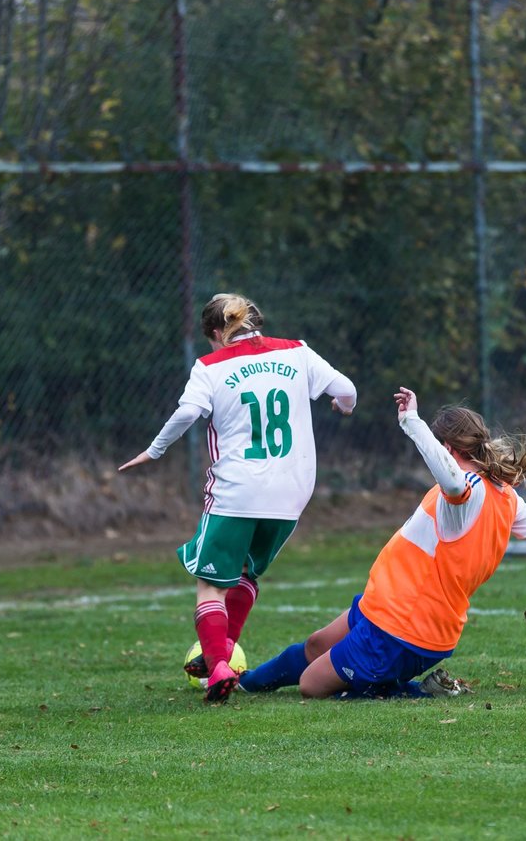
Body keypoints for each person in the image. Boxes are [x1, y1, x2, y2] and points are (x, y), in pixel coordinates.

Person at [235, 386, 526, 700]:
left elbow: (452, 480)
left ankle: (413, 690)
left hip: (403, 628)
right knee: (317, 644)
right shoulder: (505, 496)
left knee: (311, 684)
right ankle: (241, 683)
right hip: (389, 609)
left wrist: (412, 422)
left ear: (448, 449)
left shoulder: (468, 492)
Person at [119, 293, 357, 701]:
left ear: (215, 333)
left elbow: (187, 413)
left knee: (210, 584)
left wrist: (154, 450)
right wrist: (342, 405)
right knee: (246, 573)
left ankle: (217, 670)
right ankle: (223, 652)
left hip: (240, 489)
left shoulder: (210, 366)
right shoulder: (297, 352)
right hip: (293, 490)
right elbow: (348, 389)